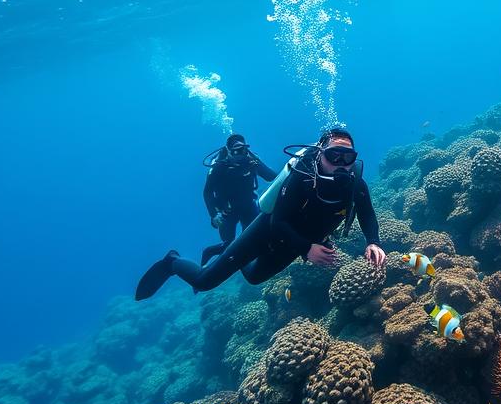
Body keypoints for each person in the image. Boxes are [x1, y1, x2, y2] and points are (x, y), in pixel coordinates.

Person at [136, 127, 385, 300]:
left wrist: (373, 242)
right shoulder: (302, 178)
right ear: (320, 154)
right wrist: (307, 249)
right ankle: (172, 261)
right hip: (269, 230)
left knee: (254, 277)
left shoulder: (356, 184)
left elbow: (367, 214)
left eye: (348, 157)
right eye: (333, 155)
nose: (341, 163)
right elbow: (278, 221)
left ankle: (227, 247)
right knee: (205, 281)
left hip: (296, 242)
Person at [200, 133, 278, 265]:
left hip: (248, 206)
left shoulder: (252, 161)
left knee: (254, 239)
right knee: (229, 248)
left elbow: (272, 177)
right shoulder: (219, 167)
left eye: (242, 150)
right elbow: (207, 192)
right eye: (235, 151)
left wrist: (259, 162)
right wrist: (213, 215)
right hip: (227, 211)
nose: (239, 155)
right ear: (228, 152)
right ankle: (209, 251)